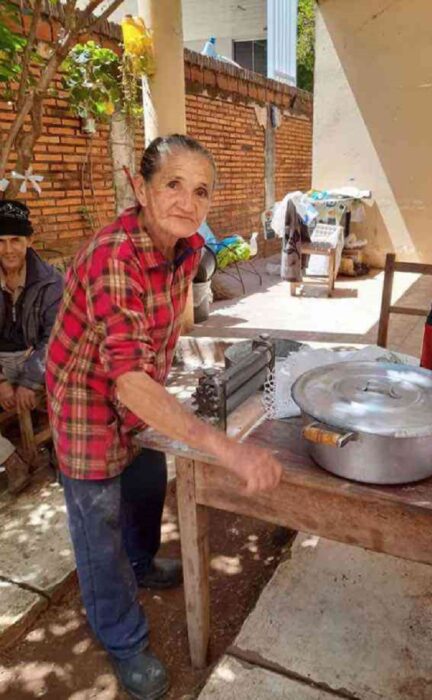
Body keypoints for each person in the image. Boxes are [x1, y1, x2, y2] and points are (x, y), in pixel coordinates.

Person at [46, 134, 282, 700]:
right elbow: (125, 381)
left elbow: (158, 337)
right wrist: (227, 448)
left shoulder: (187, 248)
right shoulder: (113, 258)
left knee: (148, 479)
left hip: (134, 386)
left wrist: (172, 378)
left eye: (200, 190)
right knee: (97, 523)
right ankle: (122, 638)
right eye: (172, 184)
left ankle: (142, 562)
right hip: (85, 400)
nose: (187, 201)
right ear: (140, 187)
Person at [0, 200, 63, 494]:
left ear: (29, 240)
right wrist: (1, 380)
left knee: (77, 378)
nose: (8, 249)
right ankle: (10, 459)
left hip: (35, 358)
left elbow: (53, 338)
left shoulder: (51, 282)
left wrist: (28, 381)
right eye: (0, 241)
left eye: (15, 240)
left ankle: (60, 450)